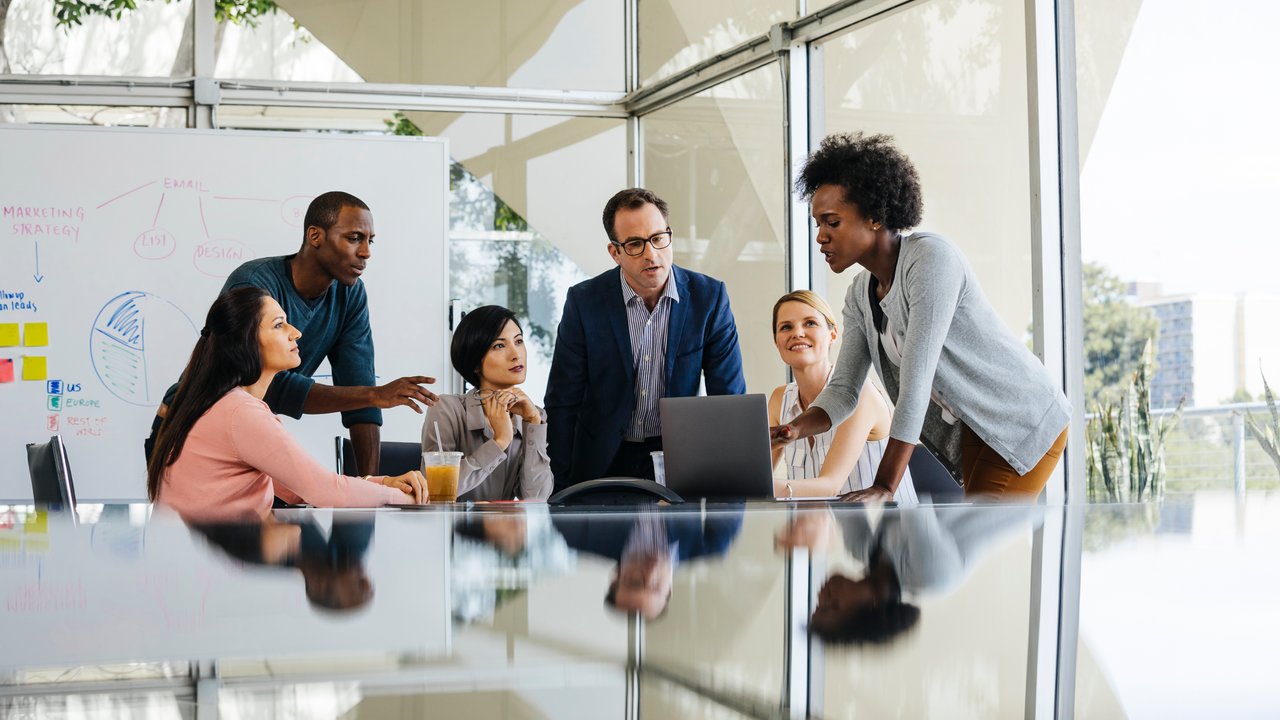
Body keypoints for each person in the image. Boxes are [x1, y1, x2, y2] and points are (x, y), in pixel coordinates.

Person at [771, 133, 1070, 501]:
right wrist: (796, 428)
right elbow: (844, 390)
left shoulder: (931, 261)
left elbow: (916, 382)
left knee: (976, 531)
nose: (821, 237)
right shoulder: (860, 294)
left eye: (832, 223)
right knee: (968, 542)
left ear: (876, 216)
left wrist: (884, 485)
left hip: (1023, 417)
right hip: (976, 426)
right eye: (817, 224)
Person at [147, 191, 438, 478]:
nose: (366, 252)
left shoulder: (350, 294)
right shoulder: (253, 284)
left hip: (248, 434)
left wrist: (373, 484)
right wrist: (375, 394)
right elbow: (264, 381)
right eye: (353, 238)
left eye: (369, 240)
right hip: (190, 428)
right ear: (315, 236)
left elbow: (359, 386)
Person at [148, 286, 425, 520]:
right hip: (218, 574)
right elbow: (325, 492)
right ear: (248, 341)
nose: (296, 332)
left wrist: (382, 482)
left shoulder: (218, 404)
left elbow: (299, 489)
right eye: (279, 325)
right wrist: (404, 498)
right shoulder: (240, 412)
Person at [546, 188, 746, 491]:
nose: (651, 254)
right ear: (615, 252)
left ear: (669, 235)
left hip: (679, 458)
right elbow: (563, 402)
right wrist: (560, 485)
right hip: (600, 461)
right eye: (636, 244)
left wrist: (730, 484)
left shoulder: (709, 298)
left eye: (657, 238)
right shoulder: (584, 302)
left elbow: (728, 400)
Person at [769, 290, 917, 503]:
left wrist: (758, 488)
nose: (797, 333)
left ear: (833, 334)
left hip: (888, 529)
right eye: (786, 327)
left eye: (810, 323)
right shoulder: (779, 399)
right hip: (822, 530)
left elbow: (830, 487)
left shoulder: (860, 393)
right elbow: (755, 472)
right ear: (776, 342)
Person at [423, 305, 553, 501]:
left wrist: (534, 423)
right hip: (451, 530)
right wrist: (499, 442)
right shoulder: (445, 409)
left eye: (518, 341)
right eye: (499, 346)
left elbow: (536, 497)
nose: (516, 354)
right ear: (475, 362)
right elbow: (434, 493)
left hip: (505, 530)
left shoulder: (531, 415)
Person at [550, 506, 744, 620]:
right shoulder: (712, 543)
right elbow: (730, 478)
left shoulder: (578, 534)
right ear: (669, 589)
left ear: (615, 577)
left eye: (636, 582)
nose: (650, 573)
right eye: (656, 586)